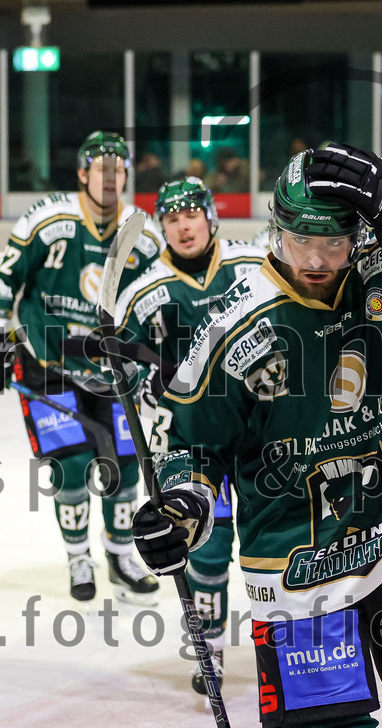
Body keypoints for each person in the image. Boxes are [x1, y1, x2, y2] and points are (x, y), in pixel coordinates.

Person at [133, 144, 382, 727]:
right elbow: (194, 448)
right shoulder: (233, 330)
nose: (315, 259)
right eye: (299, 241)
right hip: (297, 567)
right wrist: (185, 505)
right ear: (273, 231)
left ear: (360, 237)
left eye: (333, 243)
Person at [0, 131, 163, 605]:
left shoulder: (144, 234)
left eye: (118, 170)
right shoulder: (49, 217)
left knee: (122, 467)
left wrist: (161, 363)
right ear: (82, 174)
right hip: (46, 364)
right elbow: (3, 276)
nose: (109, 177)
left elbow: (161, 304)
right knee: (71, 466)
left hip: (111, 373)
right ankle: (79, 556)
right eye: (100, 169)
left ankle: (120, 556)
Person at [113, 177, 265, 694]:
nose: (183, 226)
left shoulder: (253, 265)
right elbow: (122, 380)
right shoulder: (143, 293)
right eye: (172, 219)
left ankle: (295, 646)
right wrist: (123, 367)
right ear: (162, 229)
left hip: (267, 432)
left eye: (190, 215)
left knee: (284, 542)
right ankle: (211, 651)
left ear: (210, 217)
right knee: (207, 546)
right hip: (193, 442)